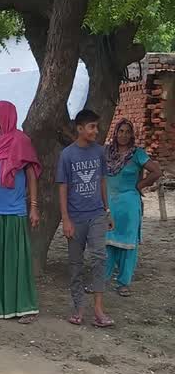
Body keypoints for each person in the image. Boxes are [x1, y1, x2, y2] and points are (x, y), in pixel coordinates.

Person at [0, 101, 42, 324]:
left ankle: (25, 307)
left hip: (14, 211)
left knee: (17, 261)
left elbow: (31, 176)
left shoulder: (20, 140)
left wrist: (34, 207)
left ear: (7, 115)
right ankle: (1, 303)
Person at [58, 109, 115, 328]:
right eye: (92, 127)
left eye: (96, 127)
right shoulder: (67, 155)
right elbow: (63, 187)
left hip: (96, 215)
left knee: (99, 257)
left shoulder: (99, 152)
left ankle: (99, 309)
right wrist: (65, 219)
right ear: (80, 128)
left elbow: (102, 181)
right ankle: (79, 307)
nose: (96, 131)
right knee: (75, 263)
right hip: (75, 217)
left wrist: (107, 210)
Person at [105, 119, 162, 296]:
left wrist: (140, 185)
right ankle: (102, 279)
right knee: (106, 242)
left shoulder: (137, 154)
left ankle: (124, 283)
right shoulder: (106, 152)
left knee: (128, 243)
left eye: (127, 131)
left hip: (129, 204)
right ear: (115, 133)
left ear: (132, 134)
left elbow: (157, 171)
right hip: (109, 204)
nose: (123, 135)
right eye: (120, 131)